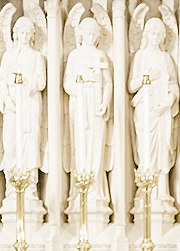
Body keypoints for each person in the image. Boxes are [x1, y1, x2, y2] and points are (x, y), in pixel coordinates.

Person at [128, 17, 179, 204]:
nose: (156, 37)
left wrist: (168, 101)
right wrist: (145, 78)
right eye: (153, 33)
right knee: (146, 148)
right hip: (145, 108)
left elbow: (174, 86)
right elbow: (131, 85)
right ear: (146, 34)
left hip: (162, 110)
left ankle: (162, 191)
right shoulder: (140, 56)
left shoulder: (166, 58)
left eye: (159, 33)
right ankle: (145, 190)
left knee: (163, 148)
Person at [63, 17, 113, 208]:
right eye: (88, 33)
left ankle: (95, 190)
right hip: (80, 103)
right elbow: (67, 83)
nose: (91, 37)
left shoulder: (101, 56)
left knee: (96, 145)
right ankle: (79, 192)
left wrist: (105, 101)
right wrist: (80, 86)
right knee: (80, 145)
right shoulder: (75, 55)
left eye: (94, 34)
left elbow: (108, 82)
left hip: (96, 103)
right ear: (81, 34)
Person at [0, 16, 46, 181]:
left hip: (30, 104)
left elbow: (40, 82)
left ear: (32, 35)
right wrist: (7, 99)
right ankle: (13, 185)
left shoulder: (36, 56)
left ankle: (30, 185)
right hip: (12, 105)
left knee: (31, 142)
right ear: (15, 34)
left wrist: (22, 71)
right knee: (10, 141)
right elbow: (1, 80)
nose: (24, 36)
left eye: (28, 33)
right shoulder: (8, 56)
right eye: (21, 32)